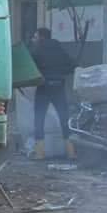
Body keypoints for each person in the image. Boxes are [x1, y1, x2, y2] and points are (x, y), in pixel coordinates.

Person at [29, 28, 76, 160]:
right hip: (59, 86)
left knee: (39, 119)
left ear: (42, 37)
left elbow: (30, 67)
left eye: (35, 37)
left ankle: (39, 154)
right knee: (64, 118)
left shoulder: (37, 50)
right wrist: (60, 73)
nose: (34, 39)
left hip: (43, 87)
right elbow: (72, 65)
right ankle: (71, 152)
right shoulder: (59, 48)